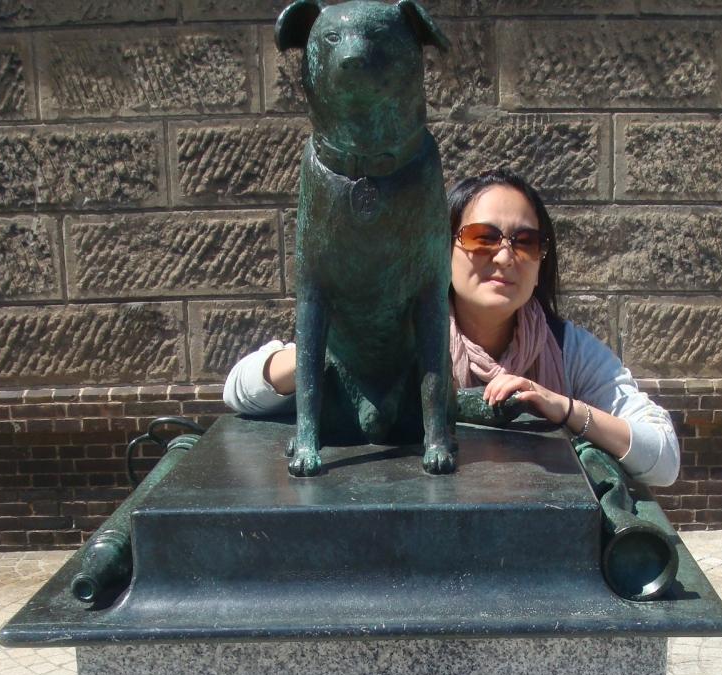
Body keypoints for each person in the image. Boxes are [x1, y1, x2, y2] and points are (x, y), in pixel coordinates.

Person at [223, 169, 679, 487]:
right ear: (442, 249)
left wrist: (562, 408)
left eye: (525, 241)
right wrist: (332, 351)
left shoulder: (566, 349)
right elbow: (240, 391)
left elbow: (664, 459)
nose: (505, 257)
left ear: (542, 259)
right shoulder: (399, 333)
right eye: (482, 238)